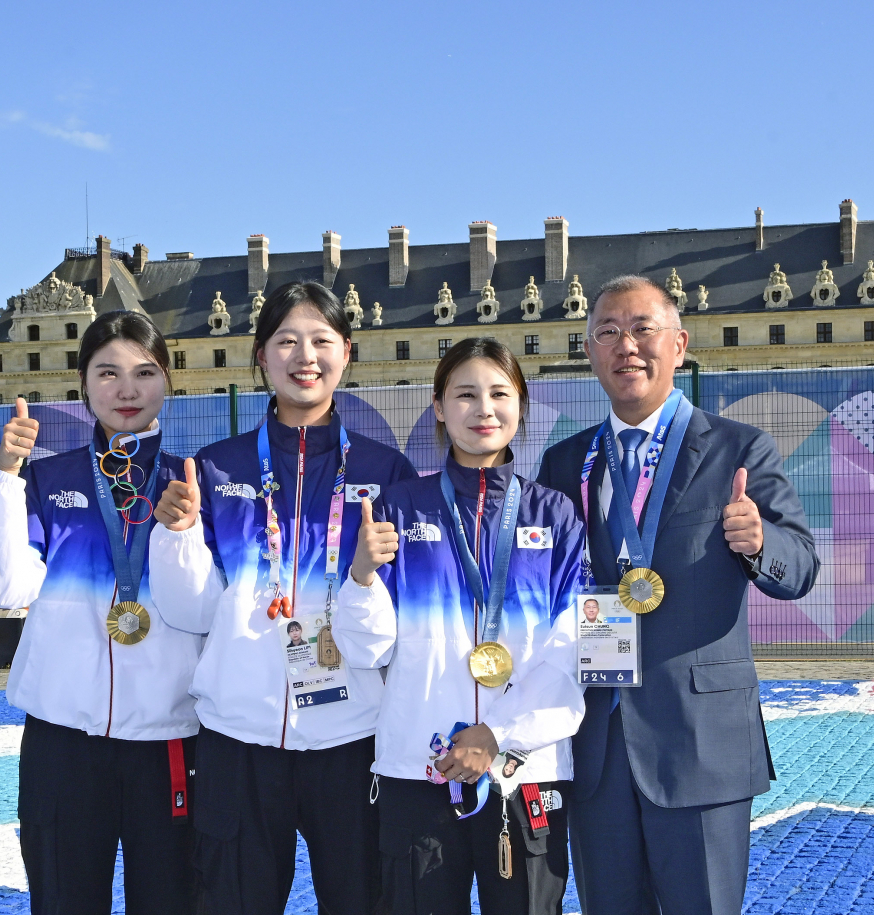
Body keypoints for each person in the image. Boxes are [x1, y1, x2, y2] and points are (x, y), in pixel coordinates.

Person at [536, 275, 820, 915]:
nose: (626, 346)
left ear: (680, 344)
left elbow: (800, 564)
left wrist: (758, 542)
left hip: (700, 744)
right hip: (597, 748)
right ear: (589, 352)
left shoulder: (739, 449)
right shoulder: (564, 464)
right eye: (608, 332)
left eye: (642, 329)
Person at [148, 281, 417, 915]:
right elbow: (189, 613)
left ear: (346, 353)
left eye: (321, 340)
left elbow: (395, 623)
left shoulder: (387, 471)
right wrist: (177, 537)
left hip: (351, 740)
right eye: (287, 341)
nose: (306, 356)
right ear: (261, 357)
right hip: (238, 739)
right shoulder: (213, 469)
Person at [335, 337, 586, 915]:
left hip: (524, 773)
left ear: (520, 404)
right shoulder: (400, 507)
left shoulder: (554, 515)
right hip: (419, 770)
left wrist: (497, 734)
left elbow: (572, 647)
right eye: (465, 395)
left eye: (500, 393)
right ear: (439, 408)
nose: (484, 409)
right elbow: (367, 649)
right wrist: (362, 578)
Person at [0, 312, 201, 914]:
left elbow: (205, 611)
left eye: (145, 373)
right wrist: (5, 478)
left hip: (167, 740)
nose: (127, 390)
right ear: (83, 383)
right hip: (63, 745)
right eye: (108, 373)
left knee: (170, 901)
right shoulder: (47, 480)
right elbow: (2, 585)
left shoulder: (192, 484)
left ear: (168, 381)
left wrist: (183, 533)